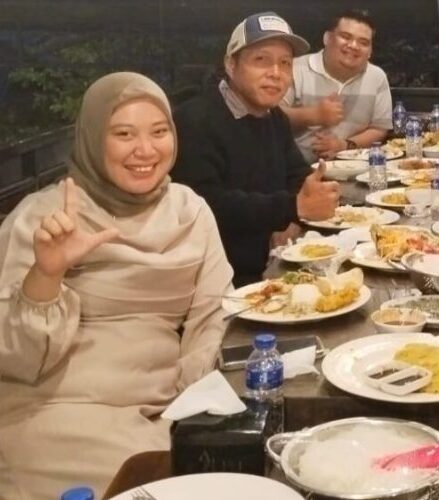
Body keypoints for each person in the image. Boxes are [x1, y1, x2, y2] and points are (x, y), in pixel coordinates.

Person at [0, 72, 233, 499]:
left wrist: (193, 402)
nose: (145, 150)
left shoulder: (190, 211)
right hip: (56, 410)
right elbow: (15, 359)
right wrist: (46, 275)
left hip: (157, 411)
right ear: (92, 139)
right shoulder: (45, 216)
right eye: (124, 134)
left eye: (159, 132)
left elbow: (214, 312)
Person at [172, 12, 340, 286]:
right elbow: (207, 205)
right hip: (218, 278)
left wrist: (294, 216)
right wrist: (292, 208)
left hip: (273, 264)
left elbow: (298, 175)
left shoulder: (275, 118)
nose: (275, 73)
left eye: (285, 63)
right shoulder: (195, 120)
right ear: (231, 64)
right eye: (261, 60)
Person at [282, 9, 392, 162]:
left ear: (370, 51)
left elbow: (379, 128)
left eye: (363, 42)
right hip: (295, 169)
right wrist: (314, 115)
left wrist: (343, 145)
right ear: (327, 38)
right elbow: (270, 117)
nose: (353, 46)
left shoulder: (377, 77)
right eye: (346, 37)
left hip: (356, 168)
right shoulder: (295, 68)